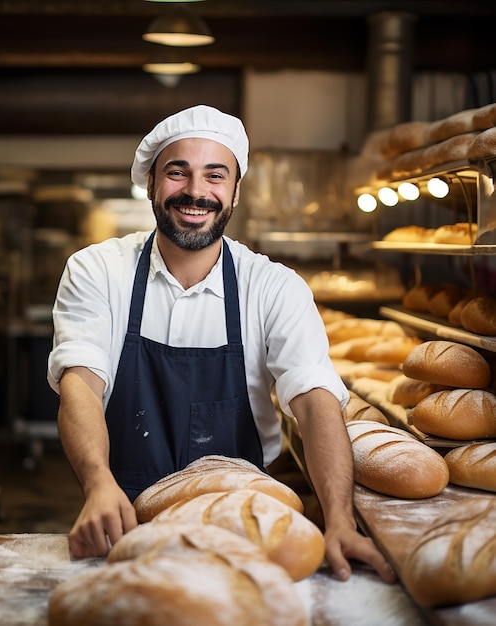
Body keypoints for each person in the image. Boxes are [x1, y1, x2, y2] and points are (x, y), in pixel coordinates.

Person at [47, 104, 396, 584]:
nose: (195, 191)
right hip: (121, 520)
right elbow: (80, 384)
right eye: (177, 172)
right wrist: (97, 483)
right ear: (150, 183)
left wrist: (339, 520)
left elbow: (315, 402)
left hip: (243, 529)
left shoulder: (273, 286)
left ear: (234, 191)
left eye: (216, 175)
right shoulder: (98, 271)